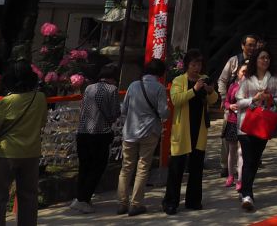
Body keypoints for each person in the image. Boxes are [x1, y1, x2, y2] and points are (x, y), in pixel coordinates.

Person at [0, 60, 47, 226]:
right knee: (29, 196)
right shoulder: (40, 98)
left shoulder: (6, 102)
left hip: (6, 154)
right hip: (31, 153)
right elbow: (42, 123)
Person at [163, 49, 219, 215]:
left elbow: (213, 100)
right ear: (187, 65)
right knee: (176, 168)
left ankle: (193, 201)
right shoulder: (179, 80)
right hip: (182, 130)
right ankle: (171, 202)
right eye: (193, 64)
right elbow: (176, 100)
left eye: (199, 64)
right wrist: (194, 89)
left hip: (199, 129)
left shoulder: (204, 79)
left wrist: (210, 91)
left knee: (196, 168)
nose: (196, 67)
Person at [118, 58, 168, 216]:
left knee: (126, 168)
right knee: (142, 167)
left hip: (130, 131)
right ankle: (136, 203)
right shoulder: (159, 88)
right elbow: (164, 113)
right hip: (149, 131)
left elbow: (124, 109)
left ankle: (122, 203)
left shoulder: (133, 85)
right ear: (160, 73)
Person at [235, 47, 277, 212]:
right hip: (247, 124)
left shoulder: (274, 79)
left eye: (267, 58)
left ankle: (244, 189)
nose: (265, 61)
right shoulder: (247, 80)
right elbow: (238, 101)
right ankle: (247, 194)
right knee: (248, 159)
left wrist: (270, 98)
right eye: (262, 58)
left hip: (263, 124)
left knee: (255, 160)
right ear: (255, 60)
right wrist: (253, 99)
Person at [70, 63, 121, 213]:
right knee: (98, 167)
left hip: (83, 132)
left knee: (84, 167)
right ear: (113, 78)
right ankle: (84, 199)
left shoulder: (89, 88)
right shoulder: (112, 90)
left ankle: (80, 197)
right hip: (101, 134)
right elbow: (114, 113)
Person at [216, 34, 259, 177]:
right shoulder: (234, 61)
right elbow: (222, 80)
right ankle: (225, 165)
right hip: (233, 104)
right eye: (249, 45)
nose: (252, 48)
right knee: (228, 137)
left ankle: (247, 165)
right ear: (242, 45)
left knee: (250, 136)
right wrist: (223, 98)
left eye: (254, 45)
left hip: (250, 106)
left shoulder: (258, 61)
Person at [221, 62, 248, 188]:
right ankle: (230, 176)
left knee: (241, 151)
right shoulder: (233, 86)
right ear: (238, 73)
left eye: (247, 72)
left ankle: (240, 179)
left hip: (245, 121)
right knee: (231, 150)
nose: (245, 74)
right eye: (243, 71)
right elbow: (226, 102)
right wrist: (230, 106)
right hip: (232, 120)